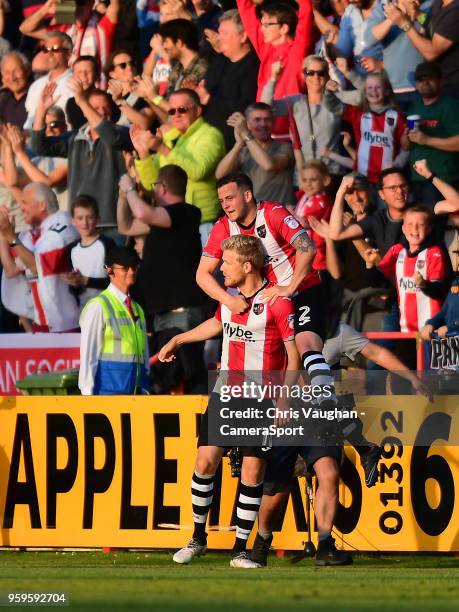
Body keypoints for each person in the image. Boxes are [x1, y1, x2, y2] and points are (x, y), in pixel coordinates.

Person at [158, 234, 300, 568]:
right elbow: (217, 322)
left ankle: (240, 550)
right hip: (227, 392)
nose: (221, 268)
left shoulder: (279, 302)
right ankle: (197, 537)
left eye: (227, 262)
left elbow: (293, 356)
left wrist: (284, 399)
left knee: (252, 471)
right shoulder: (231, 298)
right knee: (205, 462)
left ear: (247, 265)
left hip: (262, 397)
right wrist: (179, 338)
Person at [117, 164, 209, 393]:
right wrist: (122, 197)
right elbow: (126, 226)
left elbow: (142, 213)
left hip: (183, 312)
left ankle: (203, 421)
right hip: (163, 313)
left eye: (155, 186)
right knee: (170, 374)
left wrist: (130, 188)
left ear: (163, 187)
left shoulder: (186, 212)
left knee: (189, 370)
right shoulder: (161, 220)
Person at [30, 79, 132, 232]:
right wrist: (41, 110)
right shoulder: (75, 138)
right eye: (96, 108)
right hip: (79, 225)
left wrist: (83, 102)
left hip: (112, 223)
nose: (103, 112)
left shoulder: (122, 133)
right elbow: (40, 147)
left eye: (106, 107)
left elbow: (110, 137)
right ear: (86, 112)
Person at [131, 88, 225, 244]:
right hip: (173, 221)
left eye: (182, 109)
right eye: (171, 111)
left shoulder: (210, 135)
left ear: (198, 110)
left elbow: (197, 172)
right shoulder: (172, 141)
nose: (176, 115)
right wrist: (143, 154)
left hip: (203, 223)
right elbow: (151, 184)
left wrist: (161, 148)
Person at [0, 182, 79, 332]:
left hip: (66, 326)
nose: (21, 207)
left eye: (24, 203)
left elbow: (37, 266)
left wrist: (10, 237)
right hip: (41, 325)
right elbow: (11, 269)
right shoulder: (31, 235)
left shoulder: (63, 227)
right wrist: (3, 233)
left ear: (42, 205)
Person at [364, 206, 449, 334]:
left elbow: (439, 291)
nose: (414, 229)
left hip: (430, 329)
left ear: (429, 229)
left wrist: (423, 284)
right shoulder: (397, 251)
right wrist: (370, 264)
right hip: (405, 329)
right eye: (410, 224)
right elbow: (378, 282)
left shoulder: (434, 253)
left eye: (420, 224)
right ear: (403, 228)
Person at [78, 245, 149, 395]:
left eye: (134, 266)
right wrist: (87, 396)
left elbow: (144, 356)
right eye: (125, 268)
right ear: (109, 270)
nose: (132, 271)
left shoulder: (138, 309)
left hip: (135, 395)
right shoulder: (98, 306)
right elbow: (88, 355)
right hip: (107, 395)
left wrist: (145, 388)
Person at [324, 69, 408, 188]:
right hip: (362, 177)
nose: (373, 91)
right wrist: (327, 91)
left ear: (387, 91)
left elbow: (408, 144)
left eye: (378, 87)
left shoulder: (397, 116)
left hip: (387, 179)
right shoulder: (358, 114)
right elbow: (333, 106)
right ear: (364, 91)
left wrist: (397, 164)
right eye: (369, 88)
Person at [198, 9, 260, 150]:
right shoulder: (220, 60)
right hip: (205, 136)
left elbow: (245, 112)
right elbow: (205, 91)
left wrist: (208, 99)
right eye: (219, 33)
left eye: (224, 33)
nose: (219, 38)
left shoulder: (254, 68)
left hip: (231, 145)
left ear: (243, 36)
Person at [216, 102, 294, 205]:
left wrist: (246, 134)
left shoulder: (284, 147)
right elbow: (220, 175)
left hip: (279, 213)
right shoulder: (243, 150)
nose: (263, 124)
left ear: (274, 122)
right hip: (254, 214)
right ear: (247, 124)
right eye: (257, 120)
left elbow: (269, 165)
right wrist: (239, 144)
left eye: (267, 119)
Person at [407, 61, 459, 207]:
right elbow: (406, 145)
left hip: (442, 178)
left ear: (440, 81)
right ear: (416, 84)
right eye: (421, 80)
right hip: (416, 178)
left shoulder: (450, 106)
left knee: (434, 226)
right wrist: (405, 137)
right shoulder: (413, 108)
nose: (426, 83)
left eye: (430, 78)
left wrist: (428, 140)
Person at [383, 0, 459, 99]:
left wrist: (404, 23)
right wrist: (418, 14)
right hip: (439, 84)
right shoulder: (439, 3)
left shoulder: (456, 10)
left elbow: (431, 53)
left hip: (453, 87)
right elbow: (432, 26)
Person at [364, 0, 432, 108]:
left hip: (423, 87)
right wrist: (393, 17)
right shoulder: (383, 6)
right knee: (400, 124)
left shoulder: (430, 3)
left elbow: (434, 31)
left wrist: (418, 14)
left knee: (415, 123)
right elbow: (369, 39)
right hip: (393, 90)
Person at [19, 0, 121, 71]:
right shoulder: (64, 29)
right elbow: (25, 29)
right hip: (71, 90)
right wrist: (45, 9)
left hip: (97, 91)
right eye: (72, 2)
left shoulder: (103, 25)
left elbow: (116, 5)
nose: (76, 6)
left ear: (91, 2)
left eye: (80, 2)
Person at [63, 195, 114, 310]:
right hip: (84, 312)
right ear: (73, 221)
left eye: (89, 217)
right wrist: (74, 283)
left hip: (108, 309)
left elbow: (114, 279)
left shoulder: (106, 245)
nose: (85, 223)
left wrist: (86, 280)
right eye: (80, 218)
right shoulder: (71, 250)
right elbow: (75, 290)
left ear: (97, 219)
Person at [24, 31, 74, 129]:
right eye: (46, 49)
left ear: (68, 53)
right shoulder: (36, 86)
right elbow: (30, 121)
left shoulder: (75, 83)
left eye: (55, 49)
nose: (50, 53)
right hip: (37, 140)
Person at [105, 49, 155, 129]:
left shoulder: (145, 91)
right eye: (123, 65)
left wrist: (119, 101)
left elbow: (145, 123)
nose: (129, 68)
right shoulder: (107, 97)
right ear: (112, 74)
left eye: (132, 63)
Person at [0, 51, 31, 128]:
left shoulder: (37, 96)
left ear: (27, 71)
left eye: (16, 71)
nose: (12, 77)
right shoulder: (4, 98)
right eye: (7, 72)